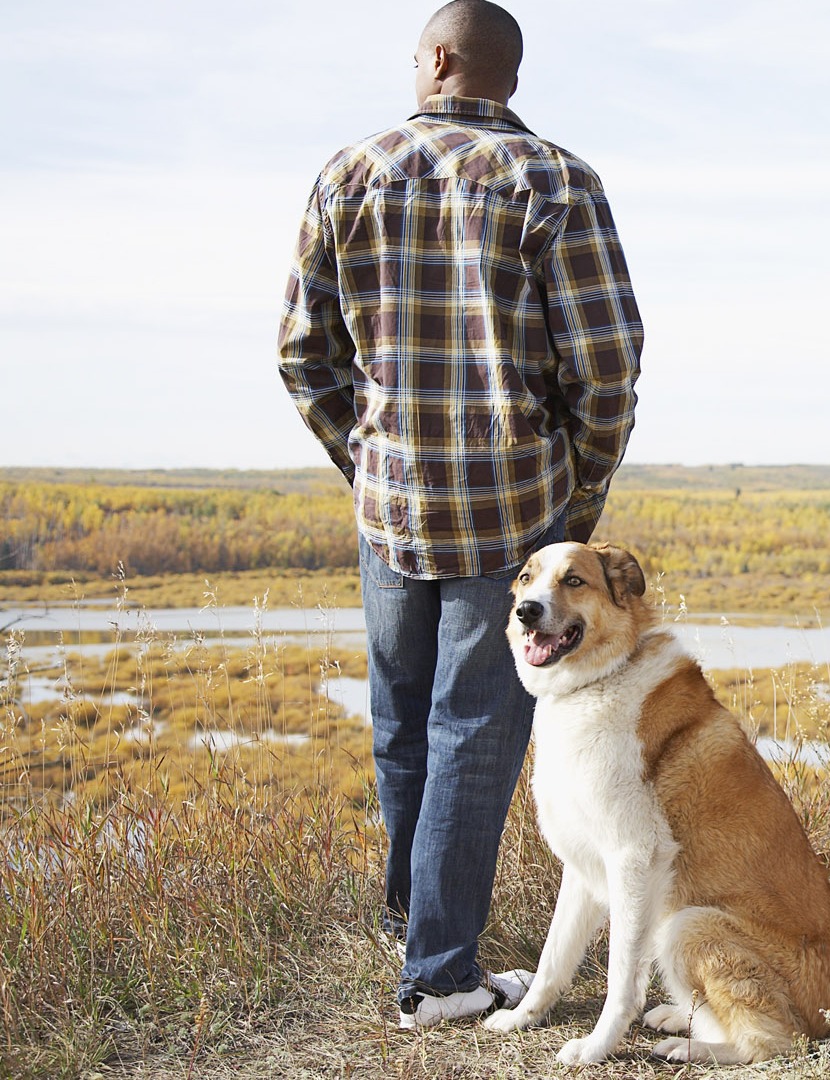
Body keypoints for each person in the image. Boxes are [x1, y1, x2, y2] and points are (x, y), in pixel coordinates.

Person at [276, 0, 643, 1030]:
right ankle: (437, 976)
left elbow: (304, 357)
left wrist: (369, 460)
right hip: (514, 513)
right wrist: (575, 496)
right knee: (474, 731)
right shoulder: (557, 181)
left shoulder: (349, 173)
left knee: (403, 723)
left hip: (394, 508)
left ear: (438, 60)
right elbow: (607, 366)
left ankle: (418, 934)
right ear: (505, 76)